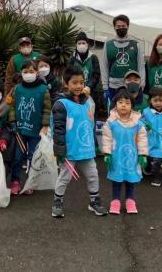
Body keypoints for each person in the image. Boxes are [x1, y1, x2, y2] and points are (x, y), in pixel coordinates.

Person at [51, 65, 108, 218]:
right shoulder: (61, 104)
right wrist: (59, 151)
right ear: (66, 83)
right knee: (64, 177)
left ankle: (94, 201)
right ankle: (57, 202)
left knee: (93, 175)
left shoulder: (88, 101)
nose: (78, 86)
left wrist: (94, 145)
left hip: (86, 150)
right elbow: (58, 130)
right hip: (69, 152)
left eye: (81, 82)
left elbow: (89, 125)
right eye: (74, 82)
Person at [7, 60, 52, 195]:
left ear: (37, 73)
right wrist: (13, 121)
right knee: (17, 157)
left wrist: (45, 126)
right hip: (20, 130)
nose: (28, 74)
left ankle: (31, 181)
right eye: (25, 72)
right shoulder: (17, 89)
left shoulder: (43, 89)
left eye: (31, 71)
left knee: (34, 156)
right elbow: (12, 107)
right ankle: (15, 181)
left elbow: (47, 109)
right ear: (21, 73)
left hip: (36, 130)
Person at [101, 89, 148, 215]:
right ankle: (115, 201)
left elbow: (142, 139)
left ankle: (130, 201)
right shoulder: (111, 122)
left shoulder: (138, 123)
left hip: (132, 157)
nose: (123, 105)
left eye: (127, 103)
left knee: (130, 179)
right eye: (120, 102)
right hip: (116, 157)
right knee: (117, 180)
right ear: (115, 104)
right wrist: (107, 153)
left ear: (132, 106)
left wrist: (143, 154)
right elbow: (107, 139)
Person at [101, 14, 145, 102]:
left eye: (123, 26)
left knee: (133, 114)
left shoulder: (136, 44)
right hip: (114, 87)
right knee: (114, 114)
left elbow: (141, 66)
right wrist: (105, 87)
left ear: (128, 26)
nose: (121, 28)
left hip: (132, 86)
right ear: (114, 27)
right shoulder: (108, 44)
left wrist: (141, 86)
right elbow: (104, 66)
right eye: (118, 26)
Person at [68, 31, 105, 120]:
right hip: (75, 92)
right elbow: (68, 74)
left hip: (91, 93)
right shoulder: (72, 58)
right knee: (76, 116)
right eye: (79, 43)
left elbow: (96, 74)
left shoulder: (93, 57)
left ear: (88, 44)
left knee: (91, 116)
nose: (81, 45)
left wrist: (89, 87)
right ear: (76, 45)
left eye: (83, 43)